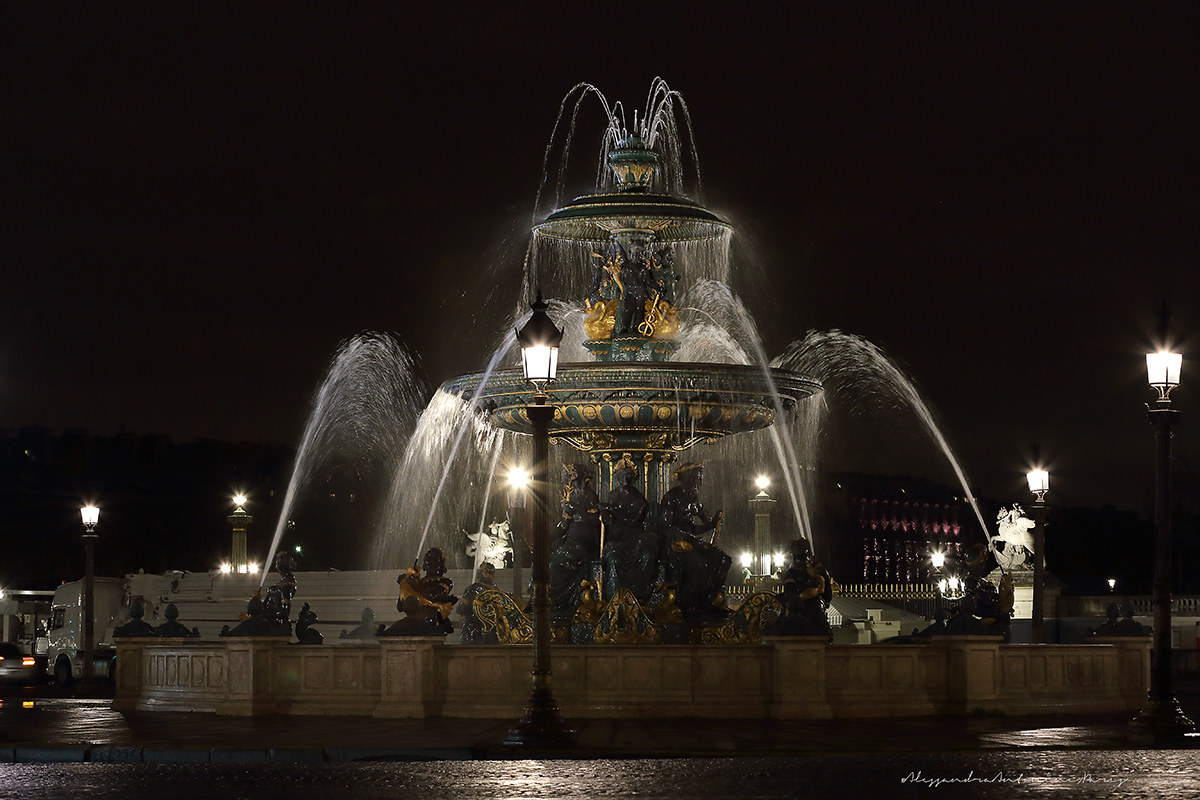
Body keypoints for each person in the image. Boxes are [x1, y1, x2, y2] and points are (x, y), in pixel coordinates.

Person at [660, 463, 731, 620]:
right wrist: (683, 540)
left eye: (700, 479)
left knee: (723, 559)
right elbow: (665, 527)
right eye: (696, 479)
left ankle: (709, 601)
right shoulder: (672, 497)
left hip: (692, 542)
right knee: (698, 564)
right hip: (674, 543)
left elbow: (706, 523)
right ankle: (689, 606)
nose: (699, 482)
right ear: (686, 479)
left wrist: (716, 521)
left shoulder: (694, 499)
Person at [600, 456, 661, 601]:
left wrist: (610, 509)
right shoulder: (612, 495)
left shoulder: (640, 500)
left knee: (648, 556)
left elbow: (632, 522)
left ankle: (639, 597)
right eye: (621, 475)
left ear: (634, 478)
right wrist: (604, 514)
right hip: (617, 540)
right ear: (617, 477)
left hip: (637, 540)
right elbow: (606, 513)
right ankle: (615, 597)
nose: (625, 479)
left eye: (628, 475)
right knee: (612, 558)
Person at [548, 464, 602, 623]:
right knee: (546, 555)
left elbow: (594, 521)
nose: (569, 475)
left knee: (558, 561)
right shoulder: (571, 497)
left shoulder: (590, 496)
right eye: (568, 473)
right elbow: (565, 525)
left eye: (572, 472)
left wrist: (575, 507)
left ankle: (559, 604)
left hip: (585, 542)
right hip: (571, 540)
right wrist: (546, 540)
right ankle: (543, 599)